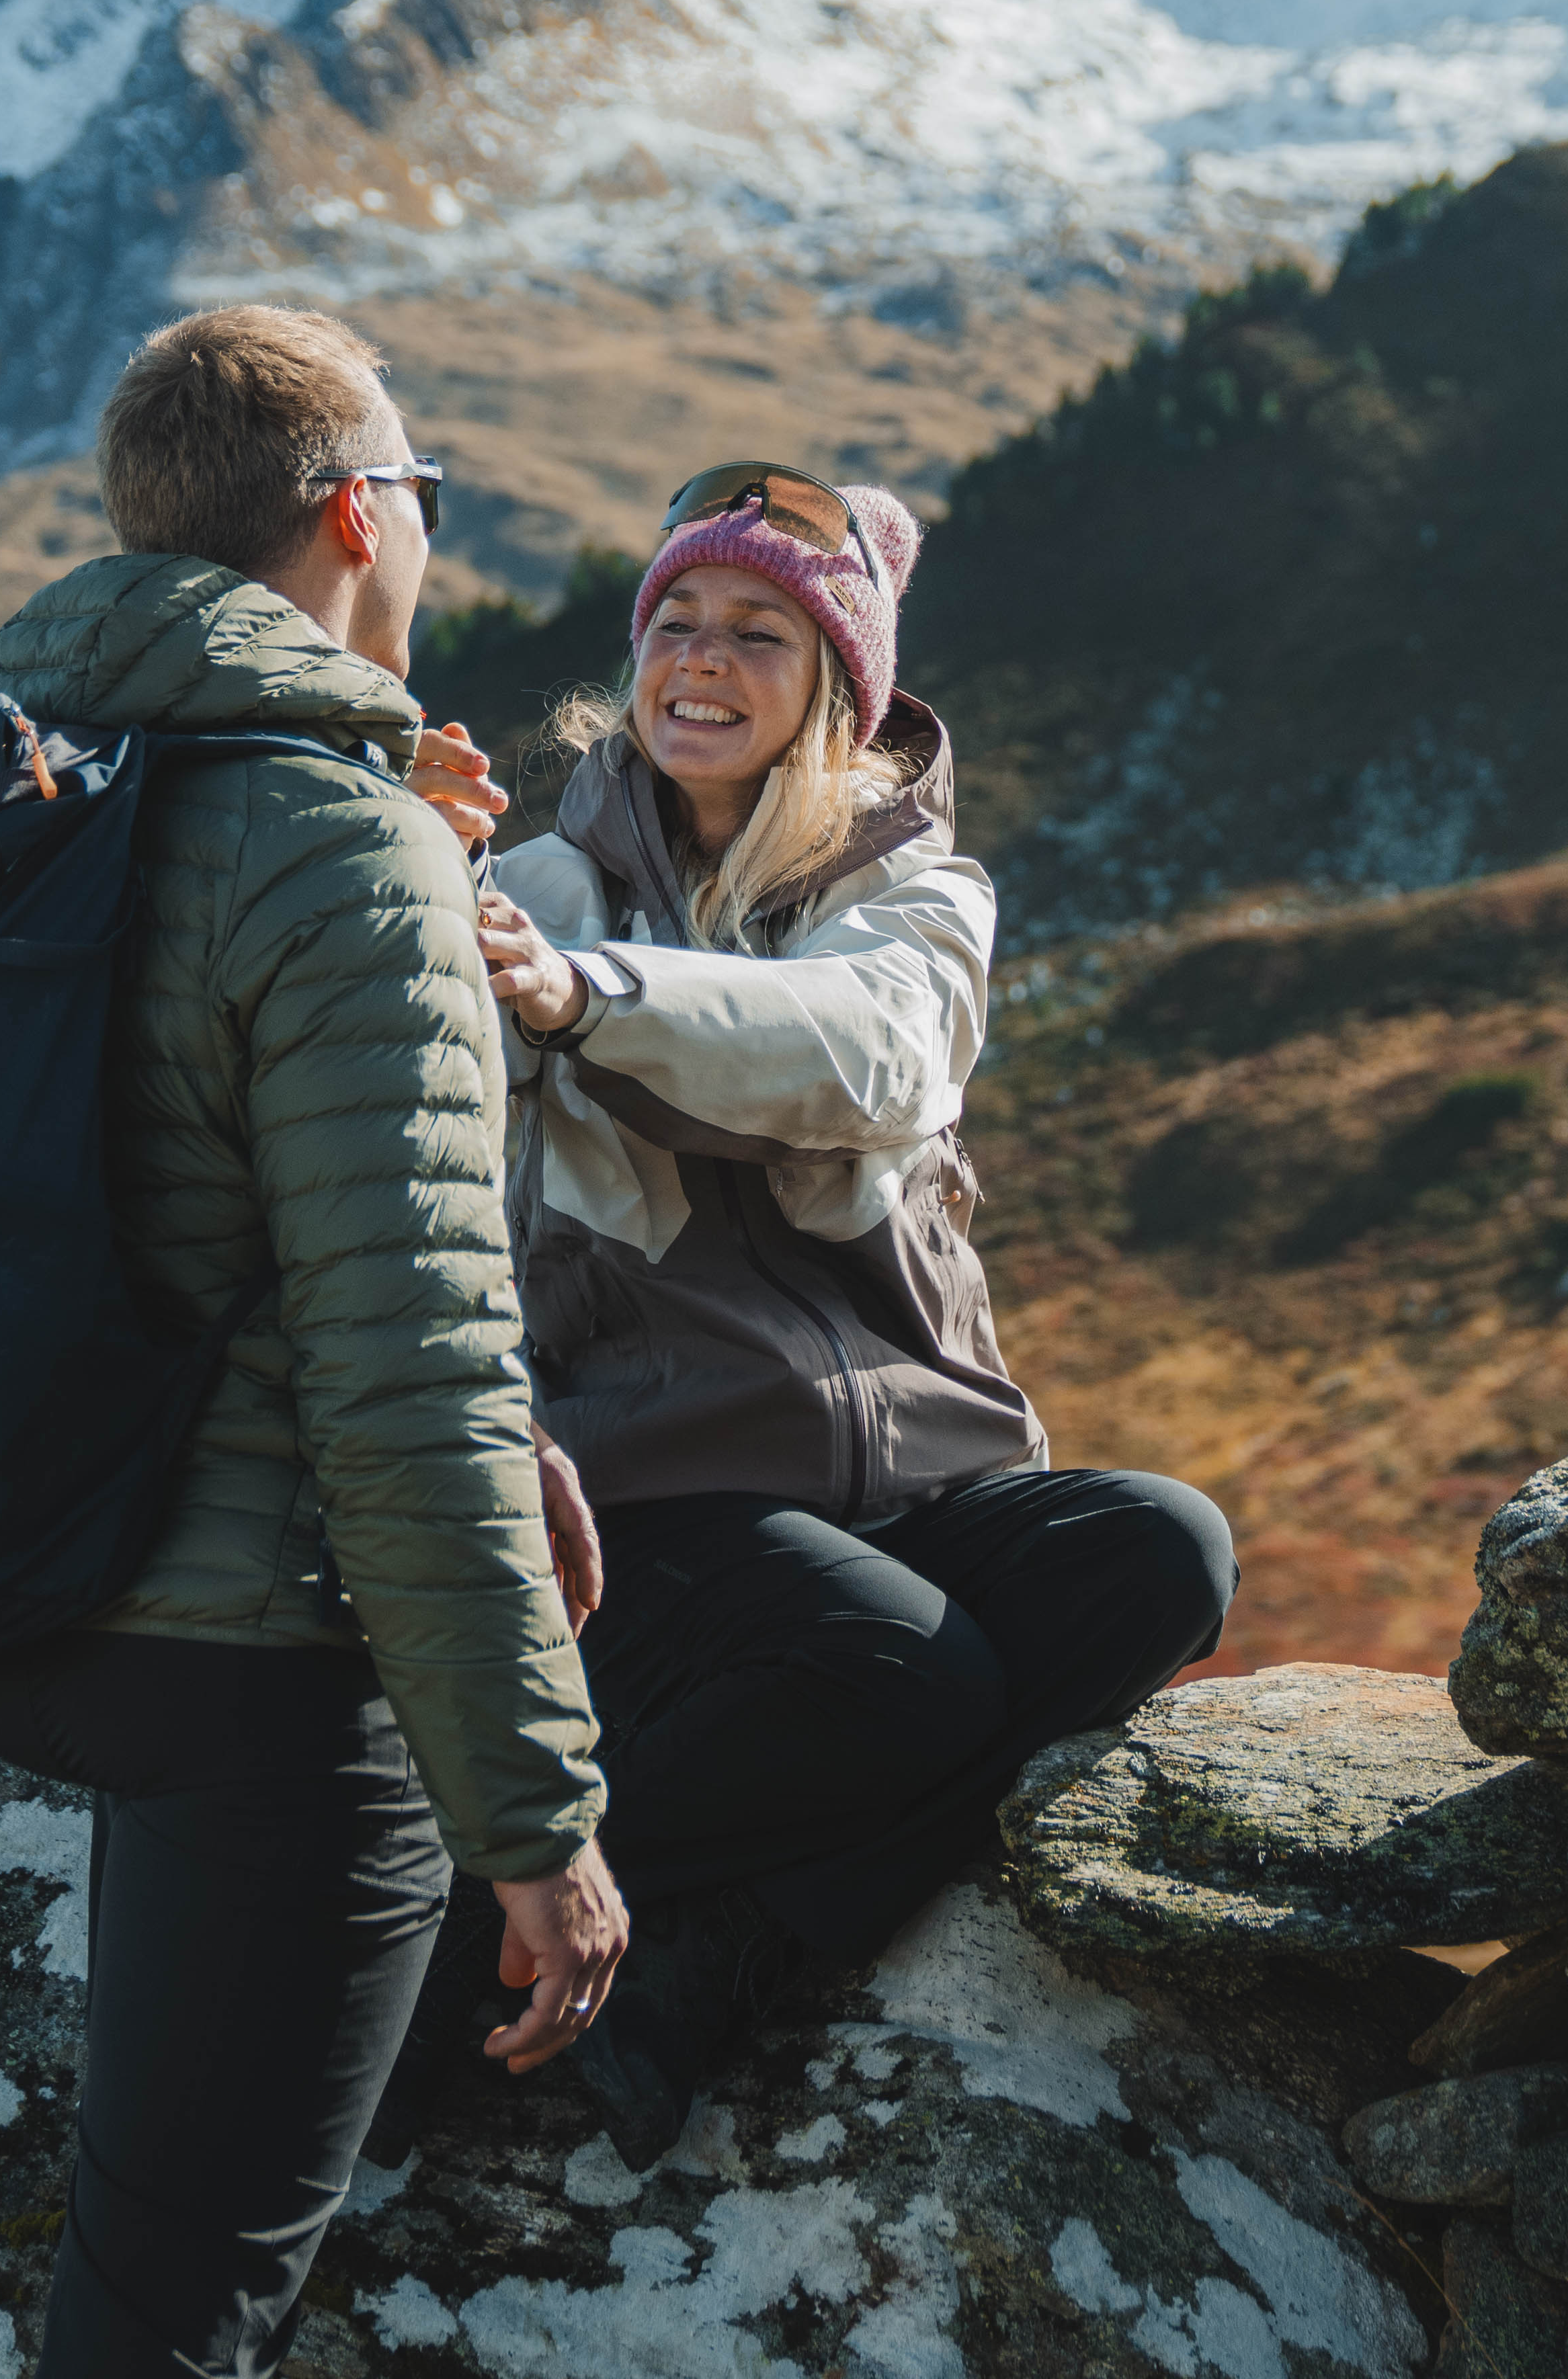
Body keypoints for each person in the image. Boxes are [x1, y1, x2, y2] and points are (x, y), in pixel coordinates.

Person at [0, 302, 625, 2378]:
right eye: (418, 492)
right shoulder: (334, 847)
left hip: (34, 1590)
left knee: (142, 2248)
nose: (421, 530)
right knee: (167, 2324)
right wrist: (541, 1830)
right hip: (257, 1673)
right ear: (349, 514)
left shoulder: (48, 768)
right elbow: (401, 1388)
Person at [464, 458, 1237, 2161]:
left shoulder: (918, 897)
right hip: (655, 1494)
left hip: (924, 1476)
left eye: (757, 631)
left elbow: (865, 1055)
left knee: (1165, 1551)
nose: (700, 661)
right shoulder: (520, 887)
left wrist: (588, 1003)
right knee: (904, 1672)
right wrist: (525, 964)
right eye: (674, 620)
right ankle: (509, 1931)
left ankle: (720, 1938)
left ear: (839, 685)